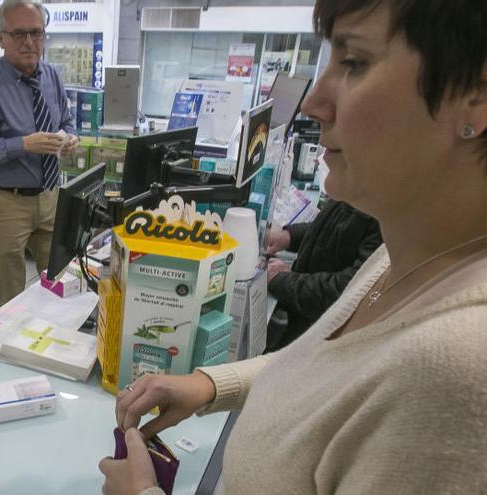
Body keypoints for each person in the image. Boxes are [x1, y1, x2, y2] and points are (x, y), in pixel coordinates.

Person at [100, 0, 487, 493]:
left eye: (354, 63)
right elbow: (328, 371)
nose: (313, 103)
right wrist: (211, 385)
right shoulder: (405, 253)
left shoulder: (458, 376)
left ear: (474, 96)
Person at [0, 0, 79, 305]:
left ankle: (52, 341)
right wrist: (23, 144)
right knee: (12, 296)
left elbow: (65, 120)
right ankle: (11, 349)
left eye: (36, 33)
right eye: (19, 34)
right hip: (6, 203)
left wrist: (71, 137)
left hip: (50, 196)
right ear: (1, 39)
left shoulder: (51, 76)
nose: (29, 42)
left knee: (59, 281)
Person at [263, 198, 382, 350]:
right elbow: (333, 228)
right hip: (304, 315)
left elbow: (347, 289)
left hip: (321, 332)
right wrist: (289, 237)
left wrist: (281, 280)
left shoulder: (388, 219)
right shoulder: (361, 189)